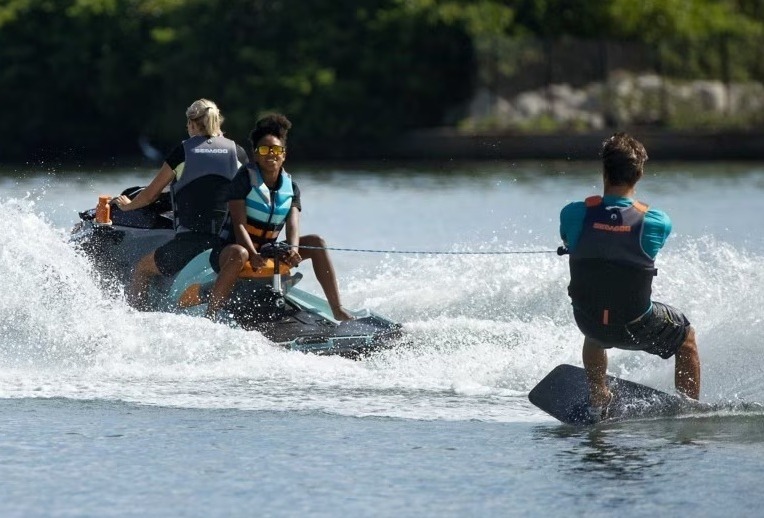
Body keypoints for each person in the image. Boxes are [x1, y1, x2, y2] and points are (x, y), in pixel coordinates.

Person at [559, 132, 700, 420]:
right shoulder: (656, 221)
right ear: (640, 173)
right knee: (686, 337)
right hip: (637, 322)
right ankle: (688, 412)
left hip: (588, 321)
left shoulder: (573, 214)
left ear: (604, 170)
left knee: (596, 316)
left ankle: (599, 395)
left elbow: (572, 239)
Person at [205, 113, 354, 321]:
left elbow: (293, 224)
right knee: (239, 252)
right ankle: (210, 316)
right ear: (256, 155)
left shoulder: (291, 187)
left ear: (284, 155)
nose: (271, 154)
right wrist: (252, 253)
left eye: (276, 150)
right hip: (231, 251)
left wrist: (292, 250)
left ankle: (337, 309)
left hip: (266, 251)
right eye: (265, 150)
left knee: (316, 242)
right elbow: (239, 225)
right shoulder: (243, 180)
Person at [114, 98, 248, 309]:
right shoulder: (238, 152)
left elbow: (149, 195)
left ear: (193, 124)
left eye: (188, 124)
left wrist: (127, 205)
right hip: (225, 245)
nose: (187, 128)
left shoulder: (183, 152)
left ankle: (135, 318)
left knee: (142, 268)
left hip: (191, 243)